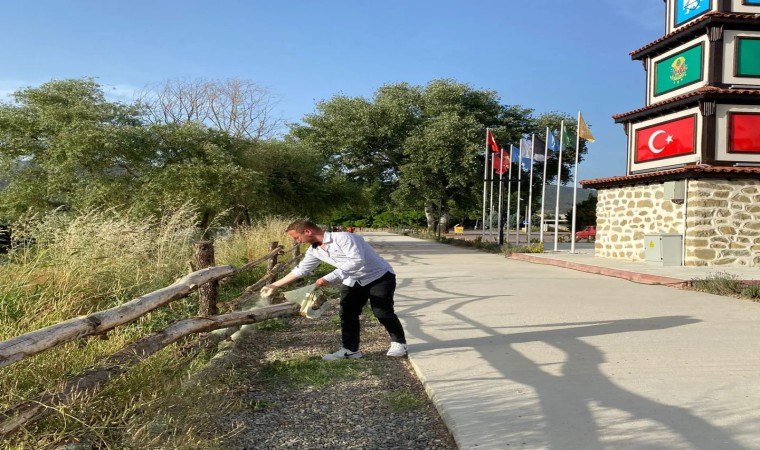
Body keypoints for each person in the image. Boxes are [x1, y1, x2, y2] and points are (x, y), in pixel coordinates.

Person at [262, 219, 407, 360]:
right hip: (353, 280)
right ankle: (351, 350)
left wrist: (328, 278)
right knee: (347, 313)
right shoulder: (315, 250)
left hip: (379, 276)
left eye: (297, 237)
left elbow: (357, 262)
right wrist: (274, 285)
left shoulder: (344, 238)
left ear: (307, 231)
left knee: (382, 311)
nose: (297, 241)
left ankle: (399, 343)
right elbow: (301, 270)